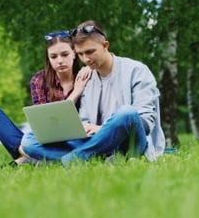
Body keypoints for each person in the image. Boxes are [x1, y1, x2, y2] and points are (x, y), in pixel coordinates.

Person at [21, 20, 166, 166]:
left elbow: (146, 123)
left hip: (130, 143)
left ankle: (71, 159)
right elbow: (85, 121)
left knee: (127, 113)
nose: (86, 59)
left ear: (105, 45)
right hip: (96, 142)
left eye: (90, 52)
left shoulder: (137, 70)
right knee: (29, 140)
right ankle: (90, 158)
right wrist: (82, 127)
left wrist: (103, 129)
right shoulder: (87, 78)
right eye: (80, 54)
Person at [0, 30, 92, 166]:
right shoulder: (39, 80)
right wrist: (75, 93)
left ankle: (32, 158)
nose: (60, 61)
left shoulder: (85, 76)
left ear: (74, 54)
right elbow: (43, 125)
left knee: (33, 143)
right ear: (48, 58)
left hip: (76, 140)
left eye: (65, 54)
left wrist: (89, 69)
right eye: (53, 56)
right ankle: (31, 154)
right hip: (47, 139)